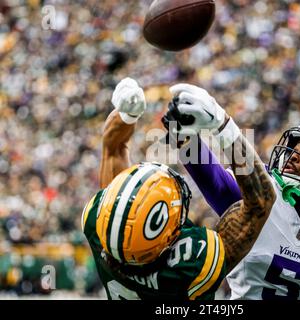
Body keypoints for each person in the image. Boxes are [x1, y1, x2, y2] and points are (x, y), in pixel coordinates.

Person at [162, 83, 300, 300]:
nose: (292, 155)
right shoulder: (263, 195)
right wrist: (181, 135)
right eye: (293, 149)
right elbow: (215, 182)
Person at [81, 78, 276, 300]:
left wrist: (124, 116)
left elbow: (112, 148)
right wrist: (223, 126)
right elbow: (261, 202)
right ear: (167, 237)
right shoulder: (191, 265)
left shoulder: (100, 226)